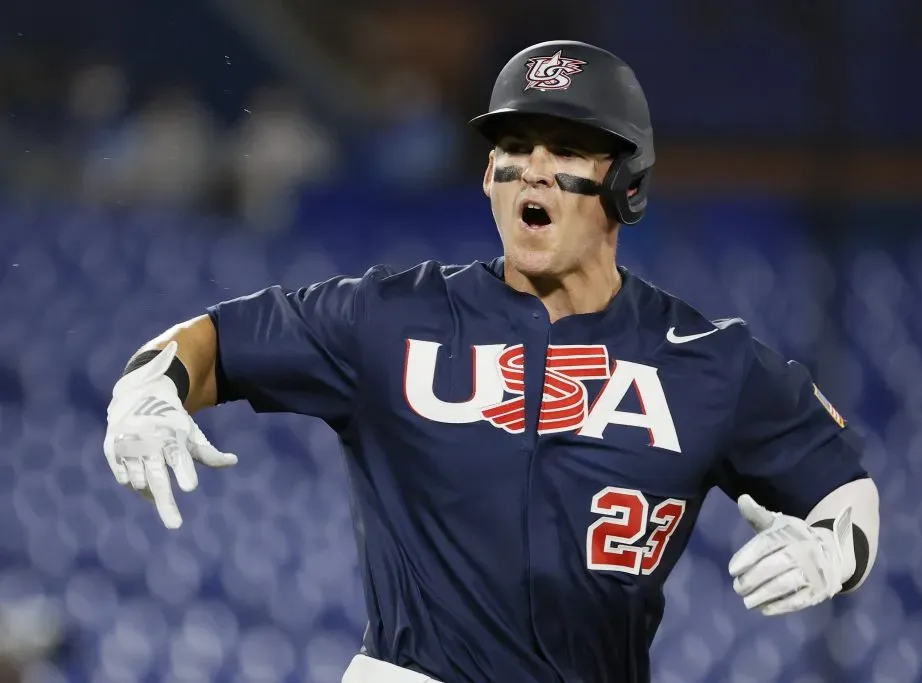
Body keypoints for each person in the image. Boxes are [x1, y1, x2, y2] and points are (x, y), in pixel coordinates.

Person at [103, 40, 881, 683]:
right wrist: (147, 390)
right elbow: (209, 342)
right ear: (487, 177)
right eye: (513, 147)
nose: (533, 168)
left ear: (629, 186)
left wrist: (834, 549)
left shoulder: (711, 361)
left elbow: (844, 491)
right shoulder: (391, 316)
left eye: (568, 148)